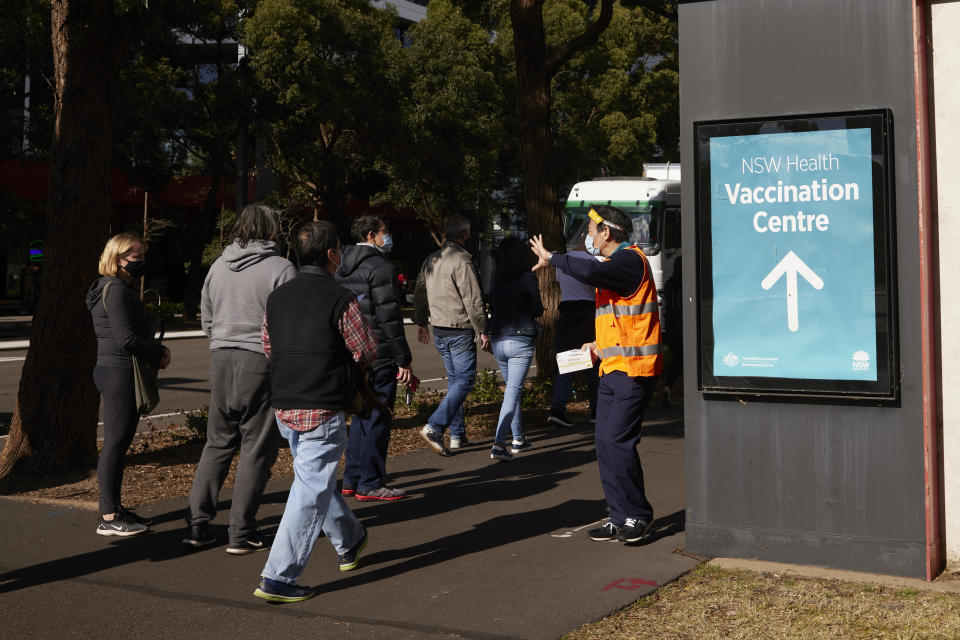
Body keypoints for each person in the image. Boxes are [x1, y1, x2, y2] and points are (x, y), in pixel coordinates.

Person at [253, 221, 377, 604]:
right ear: (330, 255)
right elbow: (365, 349)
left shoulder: (277, 297)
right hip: (322, 403)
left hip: (285, 401)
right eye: (338, 249)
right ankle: (279, 577)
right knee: (310, 485)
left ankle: (350, 539)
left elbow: (268, 346)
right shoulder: (341, 298)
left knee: (312, 479)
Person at [530, 205, 662, 544]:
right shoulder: (612, 266)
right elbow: (620, 321)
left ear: (607, 232)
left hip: (634, 372)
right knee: (604, 444)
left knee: (618, 442)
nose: (587, 236)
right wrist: (597, 344)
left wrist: (553, 257)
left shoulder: (630, 261)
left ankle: (638, 515)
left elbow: (587, 270)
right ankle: (619, 516)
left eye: (590, 230)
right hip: (612, 368)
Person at [182, 204, 297, 553]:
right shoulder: (281, 268)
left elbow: (207, 317)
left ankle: (197, 524)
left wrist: (220, 340)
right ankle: (241, 530)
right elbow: (289, 325)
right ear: (272, 230)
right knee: (256, 448)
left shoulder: (218, 266)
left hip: (221, 357)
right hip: (259, 360)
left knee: (217, 443)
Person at [86, 233, 171, 536]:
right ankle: (109, 518)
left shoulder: (104, 288)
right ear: (118, 259)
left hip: (111, 370)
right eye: (135, 258)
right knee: (115, 444)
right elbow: (126, 339)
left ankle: (113, 509)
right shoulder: (117, 290)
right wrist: (159, 352)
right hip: (120, 372)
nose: (141, 262)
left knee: (116, 443)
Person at [335, 214, 414, 501]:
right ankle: (371, 481)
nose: (387, 237)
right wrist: (403, 358)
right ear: (371, 235)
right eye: (385, 232)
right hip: (378, 352)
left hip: (350, 350)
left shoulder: (340, 265)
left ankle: (352, 478)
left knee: (359, 415)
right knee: (377, 417)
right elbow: (389, 317)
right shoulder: (381, 267)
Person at [413, 214, 490, 456]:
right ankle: (435, 426)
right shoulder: (462, 260)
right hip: (459, 327)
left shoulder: (431, 258)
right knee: (464, 382)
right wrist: (482, 329)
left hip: (440, 327)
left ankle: (457, 434)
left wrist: (421, 320)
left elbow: (419, 291)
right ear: (464, 234)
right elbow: (473, 298)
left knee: (455, 382)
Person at [487, 237, 543, 461]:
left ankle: (518, 437)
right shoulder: (528, 278)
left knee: (512, 389)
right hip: (521, 340)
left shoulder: (496, 278)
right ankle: (499, 443)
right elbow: (537, 309)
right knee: (513, 391)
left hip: (499, 340)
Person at [548, 236, 599, 428]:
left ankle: (557, 409)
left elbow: (562, 285)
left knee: (568, 363)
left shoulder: (562, 262)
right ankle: (596, 411)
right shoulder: (591, 262)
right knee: (593, 363)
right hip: (588, 311)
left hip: (567, 311)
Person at [660, 257, 683, 408]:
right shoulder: (687, 281)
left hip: (672, 326)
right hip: (684, 326)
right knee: (684, 361)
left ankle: (668, 385)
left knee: (677, 360)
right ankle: (672, 387)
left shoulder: (669, 283)